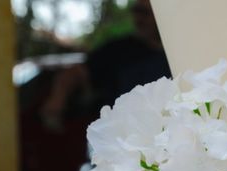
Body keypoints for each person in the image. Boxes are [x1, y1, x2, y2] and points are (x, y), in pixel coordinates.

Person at [41, 0, 171, 125]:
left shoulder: (175, 50)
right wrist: (57, 100)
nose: (139, 18)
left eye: (144, 12)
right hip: (122, 134)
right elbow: (76, 72)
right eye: (136, 11)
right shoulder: (117, 49)